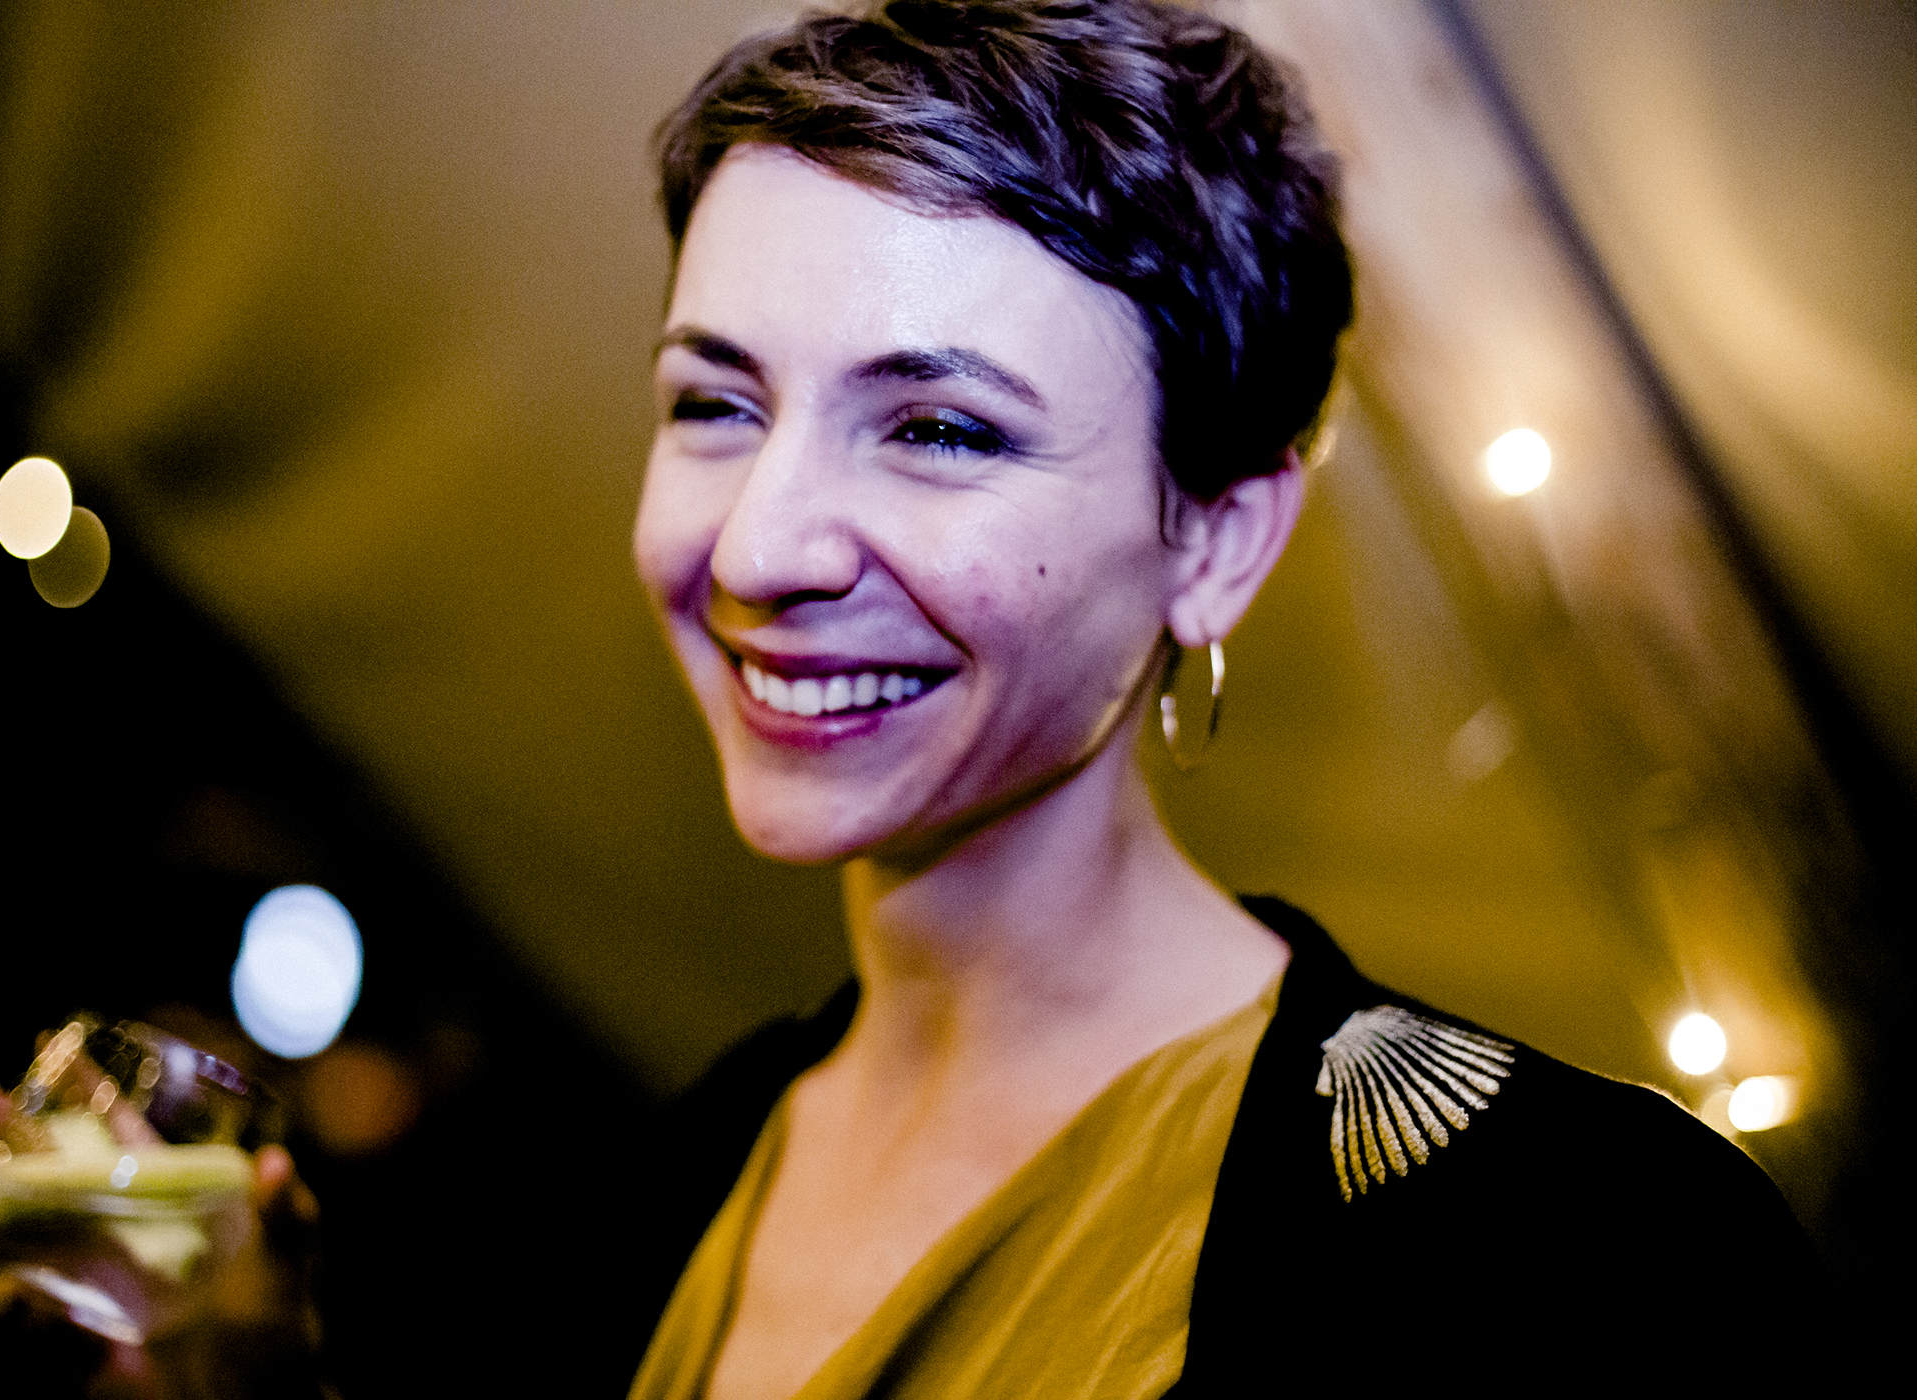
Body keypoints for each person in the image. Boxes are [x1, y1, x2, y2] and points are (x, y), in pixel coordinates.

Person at [615, 2, 1822, 1396]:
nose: (758, 551)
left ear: (1217, 542)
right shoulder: (655, 1179)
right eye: (715, 404)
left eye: (939, 430)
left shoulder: (1581, 1254)